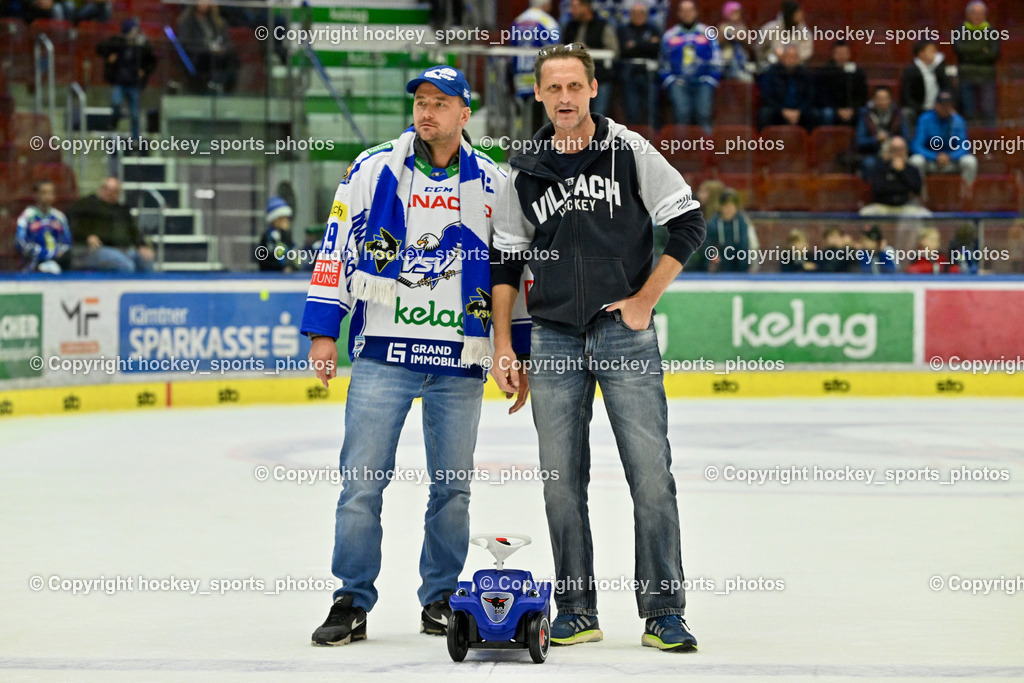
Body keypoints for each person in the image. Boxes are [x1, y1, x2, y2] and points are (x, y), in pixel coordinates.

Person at [301, 65, 530, 647]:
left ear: (464, 113)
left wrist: (515, 349)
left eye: (440, 103)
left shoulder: (496, 182)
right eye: (421, 102)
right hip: (383, 353)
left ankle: (441, 599)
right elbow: (335, 246)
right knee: (361, 483)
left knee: (452, 488)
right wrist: (324, 330)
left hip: (461, 357)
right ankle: (351, 598)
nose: (427, 112)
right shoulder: (372, 167)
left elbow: (511, 271)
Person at [490, 43, 706, 652]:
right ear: (538, 94)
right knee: (561, 482)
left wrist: (644, 300)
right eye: (552, 88)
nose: (564, 99)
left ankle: (664, 611)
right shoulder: (523, 167)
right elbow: (505, 259)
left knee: (650, 476)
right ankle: (576, 609)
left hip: (623, 332)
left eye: (574, 88)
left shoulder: (630, 151)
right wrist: (506, 342)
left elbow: (689, 221)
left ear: (592, 90)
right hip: (554, 337)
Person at [67, 177, 154, 272]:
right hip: (93, 250)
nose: (110, 193)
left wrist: (142, 246)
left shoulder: (122, 210)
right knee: (125, 265)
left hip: (121, 248)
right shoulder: (86, 205)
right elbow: (72, 226)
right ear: (101, 189)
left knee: (145, 259)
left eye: (114, 191)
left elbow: (134, 231)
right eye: (107, 189)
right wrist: (86, 237)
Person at [659, 0, 721, 133]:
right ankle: (681, 151)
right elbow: (663, 63)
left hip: (703, 82)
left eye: (690, 10)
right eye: (684, 11)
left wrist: (710, 79)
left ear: (696, 12)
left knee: (703, 116)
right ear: (679, 13)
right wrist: (671, 81)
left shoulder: (707, 33)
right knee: (681, 116)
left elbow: (717, 59)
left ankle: (707, 152)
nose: (687, 14)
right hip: (678, 82)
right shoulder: (670, 35)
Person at [97, 19, 157, 141]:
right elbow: (101, 48)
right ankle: (113, 122)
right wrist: (110, 56)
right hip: (120, 82)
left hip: (133, 83)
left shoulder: (142, 47)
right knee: (116, 103)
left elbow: (151, 60)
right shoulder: (117, 43)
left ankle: (135, 138)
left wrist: (144, 71)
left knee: (135, 114)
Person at [510, 0, 561, 136]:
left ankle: (522, 150)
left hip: (519, 80)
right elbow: (556, 52)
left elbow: (511, 49)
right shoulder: (548, 23)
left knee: (521, 119)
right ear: (546, 4)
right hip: (540, 81)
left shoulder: (518, 21)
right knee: (541, 122)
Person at [909, 91, 978, 187]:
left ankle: (965, 198)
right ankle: (920, 198)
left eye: (948, 105)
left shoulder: (958, 121)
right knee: (916, 161)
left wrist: (950, 156)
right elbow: (916, 146)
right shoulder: (925, 119)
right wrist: (935, 156)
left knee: (970, 161)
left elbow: (964, 146)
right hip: (931, 161)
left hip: (951, 160)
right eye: (943, 105)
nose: (945, 108)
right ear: (936, 105)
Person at [563, 0, 619, 115]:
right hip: (574, 79)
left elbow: (614, 52)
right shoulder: (570, 26)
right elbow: (561, 50)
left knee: (597, 115)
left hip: (599, 76)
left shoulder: (602, 26)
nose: (571, 11)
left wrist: (589, 51)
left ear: (586, 7)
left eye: (575, 7)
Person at [176, 0, 239, 94]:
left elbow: (227, 42)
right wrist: (208, 49)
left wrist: (222, 49)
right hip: (198, 55)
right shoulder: (187, 21)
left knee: (232, 58)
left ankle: (225, 90)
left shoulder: (217, 21)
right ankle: (203, 90)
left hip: (217, 55)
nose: (204, 3)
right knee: (206, 58)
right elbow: (186, 44)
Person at [954, 0, 1000, 125]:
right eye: (974, 13)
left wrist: (971, 54)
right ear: (968, 15)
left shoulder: (991, 31)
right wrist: (982, 51)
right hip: (966, 74)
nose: (978, 16)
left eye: (981, 13)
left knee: (989, 111)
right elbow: (960, 51)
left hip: (987, 74)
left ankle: (990, 140)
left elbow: (994, 54)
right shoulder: (960, 31)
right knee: (968, 112)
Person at [860, 137, 929, 217]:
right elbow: (877, 190)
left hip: (906, 207)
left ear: (906, 150)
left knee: (925, 215)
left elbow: (916, 189)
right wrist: (902, 188)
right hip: (883, 207)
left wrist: (901, 172)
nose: (898, 153)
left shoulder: (912, 169)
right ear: (889, 151)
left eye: (901, 149)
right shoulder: (880, 168)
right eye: (895, 149)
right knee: (864, 213)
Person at [618, 1, 661, 127]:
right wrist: (646, 43)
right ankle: (632, 142)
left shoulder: (654, 29)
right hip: (629, 73)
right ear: (630, 14)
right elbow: (623, 51)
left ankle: (654, 142)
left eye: (641, 13)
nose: (638, 16)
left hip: (649, 73)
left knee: (652, 111)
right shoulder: (623, 30)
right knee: (632, 111)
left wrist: (635, 45)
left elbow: (656, 49)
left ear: (646, 14)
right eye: (635, 13)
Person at [16, 180, 71, 274]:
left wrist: (57, 253)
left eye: (50, 193)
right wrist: (41, 252)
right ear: (35, 195)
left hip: (57, 263)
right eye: (44, 193)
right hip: (33, 264)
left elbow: (67, 241)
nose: (47, 196)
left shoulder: (59, 216)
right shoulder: (27, 216)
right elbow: (20, 242)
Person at [757, 43, 816, 130]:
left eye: (794, 57)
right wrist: (783, 110)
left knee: (814, 114)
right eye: (788, 56)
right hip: (778, 109)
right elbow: (767, 96)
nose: (791, 59)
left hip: (799, 110)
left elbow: (810, 96)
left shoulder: (805, 74)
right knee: (765, 113)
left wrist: (799, 111)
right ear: (782, 58)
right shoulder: (772, 72)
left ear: (798, 59)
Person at [899, 40, 951, 136]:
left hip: (937, 108)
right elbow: (906, 97)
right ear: (921, 54)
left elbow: (946, 88)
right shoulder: (911, 71)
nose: (935, 54)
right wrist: (920, 109)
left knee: (952, 112)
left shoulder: (939, 68)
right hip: (918, 109)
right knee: (906, 113)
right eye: (931, 51)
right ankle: (910, 143)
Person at [855, 86, 909, 178]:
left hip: (896, 152)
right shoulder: (865, 115)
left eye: (885, 99)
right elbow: (860, 141)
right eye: (879, 99)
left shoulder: (898, 114)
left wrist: (894, 150)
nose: (882, 101)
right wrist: (875, 139)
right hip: (874, 153)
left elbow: (906, 139)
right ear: (874, 100)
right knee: (869, 163)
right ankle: (872, 191)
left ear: (890, 100)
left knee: (913, 162)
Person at [815, 40, 868, 127]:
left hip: (852, 109)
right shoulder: (824, 72)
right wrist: (837, 110)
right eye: (839, 53)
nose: (842, 57)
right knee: (827, 113)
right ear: (833, 54)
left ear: (849, 54)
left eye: (844, 53)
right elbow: (821, 96)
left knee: (864, 112)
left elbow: (862, 96)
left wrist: (852, 109)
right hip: (832, 108)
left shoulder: (857, 72)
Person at [702, 189, 751, 272]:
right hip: (718, 266)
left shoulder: (742, 223)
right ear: (720, 206)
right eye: (726, 206)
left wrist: (743, 268)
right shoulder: (712, 225)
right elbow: (708, 247)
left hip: (738, 266)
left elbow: (744, 246)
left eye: (732, 206)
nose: (729, 209)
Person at [756, 1, 812, 69]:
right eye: (797, 14)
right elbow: (760, 50)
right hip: (772, 67)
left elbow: (807, 51)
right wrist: (773, 56)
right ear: (790, 15)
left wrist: (793, 58)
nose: (801, 16)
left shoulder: (804, 32)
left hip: (796, 68)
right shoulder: (769, 29)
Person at [256, 196, 299, 272]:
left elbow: (293, 255)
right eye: (284, 219)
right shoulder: (268, 237)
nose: (287, 222)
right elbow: (264, 259)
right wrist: (281, 267)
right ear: (276, 220)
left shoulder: (287, 236)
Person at [717, 1, 753, 82]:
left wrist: (743, 37)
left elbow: (749, 44)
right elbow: (718, 42)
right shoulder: (723, 26)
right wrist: (729, 36)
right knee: (731, 60)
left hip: (741, 56)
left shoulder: (742, 27)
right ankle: (736, 73)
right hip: (727, 57)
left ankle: (741, 71)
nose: (736, 15)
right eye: (733, 12)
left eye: (738, 12)